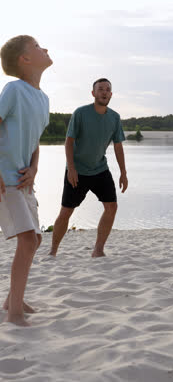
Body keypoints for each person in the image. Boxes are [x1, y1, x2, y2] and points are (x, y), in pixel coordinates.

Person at [0, 35, 52, 326]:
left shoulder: (43, 98)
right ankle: (14, 313)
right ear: (25, 59)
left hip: (24, 180)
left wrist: (33, 168)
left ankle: (12, 299)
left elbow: (35, 142)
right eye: (36, 46)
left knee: (35, 239)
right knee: (27, 238)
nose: (44, 48)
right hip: (5, 179)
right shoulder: (14, 89)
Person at [49, 78, 128, 258]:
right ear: (93, 93)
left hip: (100, 169)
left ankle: (98, 250)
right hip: (77, 171)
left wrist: (123, 173)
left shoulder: (114, 117)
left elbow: (118, 146)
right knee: (66, 211)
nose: (104, 92)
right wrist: (71, 168)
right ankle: (53, 251)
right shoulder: (81, 113)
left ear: (111, 94)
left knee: (112, 207)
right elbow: (69, 142)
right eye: (100, 89)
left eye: (108, 89)